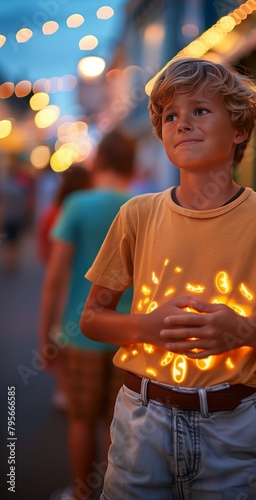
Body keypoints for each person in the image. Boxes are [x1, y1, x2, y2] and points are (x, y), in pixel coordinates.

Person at [80, 58, 256, 500]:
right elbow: (91, 319)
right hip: (142, 418)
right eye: (171, 116)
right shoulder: (136, 215)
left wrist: (243, 330)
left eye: (200, 111)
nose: (182, 124)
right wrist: (147, 326)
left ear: (238, 129)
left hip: (232, 424)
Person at [38, 128, 137, 500]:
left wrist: (45, 335)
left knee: (81, 420)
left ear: (98, 161)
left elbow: (54, 277)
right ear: (133, 163)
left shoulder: (77, 205)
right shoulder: (141, 206)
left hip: (80, 331)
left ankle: (81, 494)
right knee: (119, 423)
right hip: (129, 334)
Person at [37, 164, 92, 411]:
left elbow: (46, 255)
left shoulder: (53, 213)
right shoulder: (90, 209)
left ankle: (63, 387)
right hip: (86, 282)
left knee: (61, 331)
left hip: (62, 281)